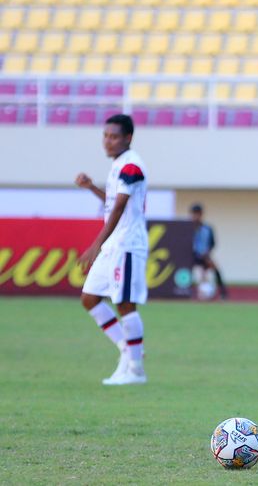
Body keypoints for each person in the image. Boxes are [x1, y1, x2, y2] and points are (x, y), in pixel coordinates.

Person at [75, 114, 148, 385]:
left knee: (125, 305)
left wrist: (96, 244)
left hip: (127, 244)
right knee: (89, 298)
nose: (108, 141)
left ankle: (136, 369)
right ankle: (127, 349)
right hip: (115, 245)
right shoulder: (119, 164)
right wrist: (91, 186)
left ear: (128, 138)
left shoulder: (132, 165)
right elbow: (113, 201)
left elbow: (119, 207)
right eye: (105, 136)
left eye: (114, 136)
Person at [190, 203, 228, 300]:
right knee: (184, 270)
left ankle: (223, 294)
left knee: (216, 269)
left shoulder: (207, 228)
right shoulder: (188, 228)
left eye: (198, 214)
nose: (196, 216)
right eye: (194, 214)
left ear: (201, 214)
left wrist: (207, 253)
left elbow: (212, 243)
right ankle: (185, 293)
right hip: (191, 256)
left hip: (204, 256)